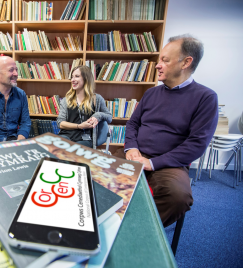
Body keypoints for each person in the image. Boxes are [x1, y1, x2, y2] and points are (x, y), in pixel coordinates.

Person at [114, 34, 218, 227]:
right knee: (95, 171)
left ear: (186, 62)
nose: (157, 65)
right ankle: (104, 222)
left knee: (178, 197)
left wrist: (152, 163)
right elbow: (133, 124)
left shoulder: (206, 98)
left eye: (165, 60)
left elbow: (196, 144)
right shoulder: (151, 93)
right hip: (134, 155)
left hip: (169, 164)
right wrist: (131, 148)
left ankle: (138, 230)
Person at [57, 65, 112, 149]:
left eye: (77, 76)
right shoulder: (66, 100)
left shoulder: (96, 99)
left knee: (76, 150)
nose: (72, 80)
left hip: (85, 138)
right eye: (72, 77)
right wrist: (79, 126)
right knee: (59, 150)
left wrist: (98, 115)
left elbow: (109, 117)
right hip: (66, 135)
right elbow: (60, 123)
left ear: (86, 78)